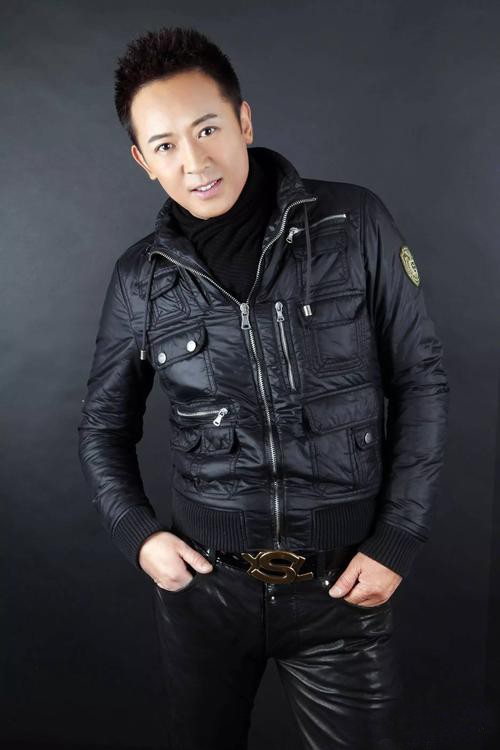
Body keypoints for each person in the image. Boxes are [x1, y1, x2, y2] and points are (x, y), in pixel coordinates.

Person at [77, 25, 450, 750]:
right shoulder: (139, 281)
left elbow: (420, 379)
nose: (194, 162)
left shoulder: (354, 224)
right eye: (165, 145)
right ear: (143, 161)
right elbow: (102, 427)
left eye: (207, 129)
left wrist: (398, 537)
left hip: (342, 591)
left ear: (243, 121)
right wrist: (138, 536)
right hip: (205, 595)